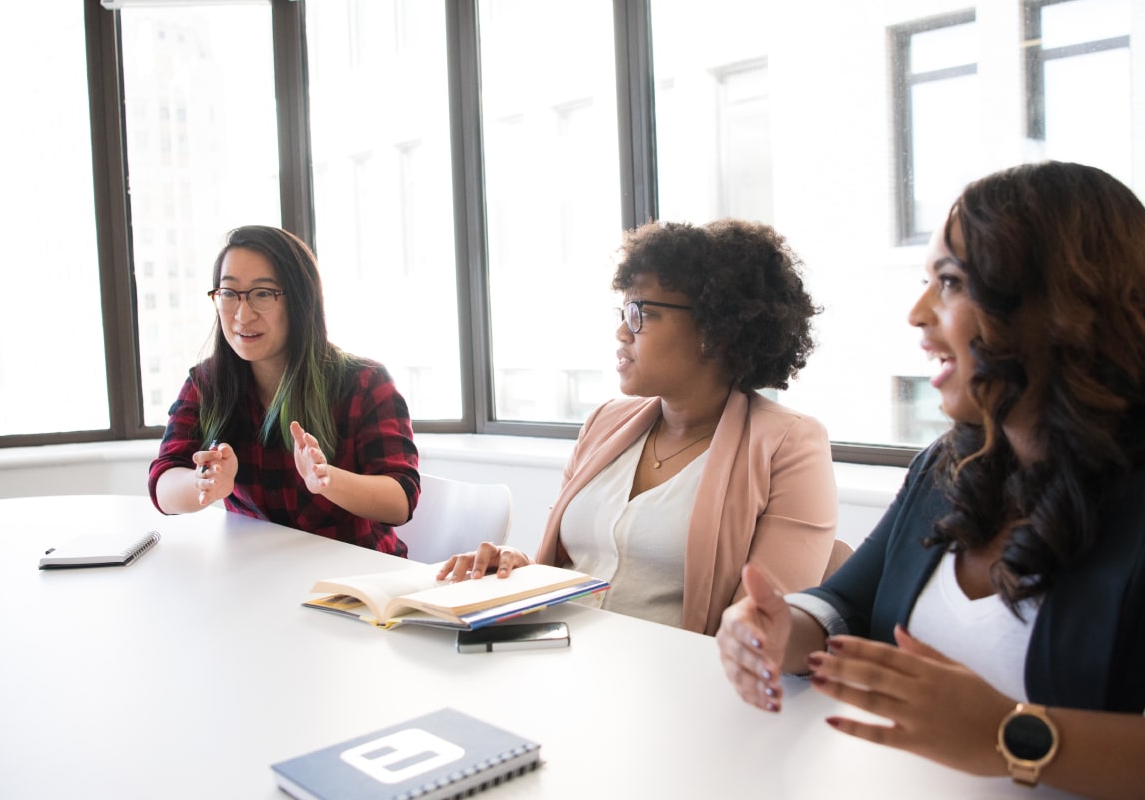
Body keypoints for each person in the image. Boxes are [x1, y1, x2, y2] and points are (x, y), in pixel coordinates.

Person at [716, 161, 1145, 800]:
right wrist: (779, 631)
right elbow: (852, 603)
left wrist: (1011, 737)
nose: (918, 314)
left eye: (951, 283)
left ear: (1063, 306)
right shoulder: (954, 461)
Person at [438, 219, 838, 635]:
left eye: (640, 313)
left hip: (674, 685)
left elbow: (762, 630)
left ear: (716, 331)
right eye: (623, 311)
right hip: (553, 658)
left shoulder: (789, 444)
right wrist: (518, 570)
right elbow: (571, 567)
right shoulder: (603, 423)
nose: (621, 332)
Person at [148, 225, 419, 555]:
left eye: (263, 294)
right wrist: (202, 483)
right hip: (259, 576)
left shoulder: (364, 382)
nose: (242, 315)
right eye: (229, 293)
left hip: (355, 583)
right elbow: (164, 483)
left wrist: (327, 479)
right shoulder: (207, 384)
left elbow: (400, 501)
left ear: (300, 301)